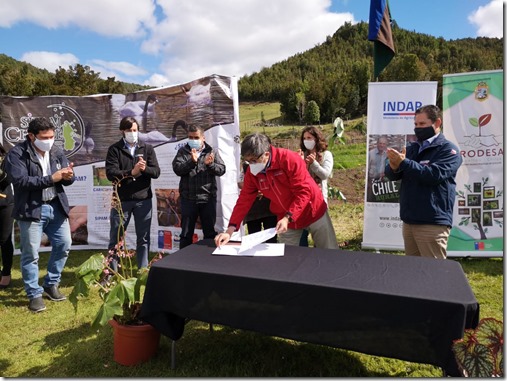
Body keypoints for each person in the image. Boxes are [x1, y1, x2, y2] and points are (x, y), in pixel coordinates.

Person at [215, 133, 338, 249]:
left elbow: (304, 192)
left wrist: (288, 217)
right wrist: (230, 231)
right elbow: (244, 200)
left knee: (328, 251)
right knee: (288, 258)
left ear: (266, 154)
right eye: (248, 161)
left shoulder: (289, 159)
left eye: (253, 160)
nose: (251, 164)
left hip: (312, 210)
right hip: (285, 218)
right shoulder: (253, 173)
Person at [4, 117, 75, 312]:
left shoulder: (57, 151)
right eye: (45, 137)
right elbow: (20, 182)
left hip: (56, 205)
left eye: (52, 136)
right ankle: (34, 294)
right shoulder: (16, 154)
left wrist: (69, 176)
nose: (49, 140)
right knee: (30, 254)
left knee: (64, 244)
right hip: (31, 208)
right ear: (31, 136)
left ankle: (51, 283)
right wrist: (52, 178)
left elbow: (67, 177)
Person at [385, 104, 463, 259]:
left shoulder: (448, 150)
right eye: (415, 124)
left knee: (434, 274)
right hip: (409, 221)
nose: (418, 128)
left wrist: (404, 163)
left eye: (422, 124)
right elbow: (394, 176)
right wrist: (393, 167)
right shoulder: (413, 148)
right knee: (414, 273)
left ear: (437, 123)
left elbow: (433, 175)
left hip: (432, 222)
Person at [105, 116, 160, 270]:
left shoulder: (147, 148)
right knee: (116, 237)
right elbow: (111, 173)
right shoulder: (114, 149)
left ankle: (142, 269)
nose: (132, 133)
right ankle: (112, 272)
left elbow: (156, 172)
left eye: (135, 130)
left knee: (143, 238)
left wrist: (144, 169)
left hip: (143, 200)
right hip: (121, 200)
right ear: (122, 131)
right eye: (129, 130)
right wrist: (132, 172)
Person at [172, 124, 226, 249]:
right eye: (190, 137)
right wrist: (192, 161)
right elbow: (177, 169)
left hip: (207, 198)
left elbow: (222, 170)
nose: (193, 140)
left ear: (203, 138)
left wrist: (210, 165)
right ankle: (183, 262)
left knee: (209, 233)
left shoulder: (211, 151)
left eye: (196, 137)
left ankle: (208, 261)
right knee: (186, 234)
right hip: (188, 199)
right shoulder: (183, 151)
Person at [297, 126, 334, 246]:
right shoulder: (301, 155)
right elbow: (296, 178)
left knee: (321, 239)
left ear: (317, 139)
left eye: (309, 137)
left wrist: (313, 164)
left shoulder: (326, 155)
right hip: (302, 202)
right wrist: (299, 163)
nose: (306, 140)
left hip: (319, 202)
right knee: (301, 237)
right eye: (304, 138)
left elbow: (325, 175)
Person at [238, 160, 277, 243]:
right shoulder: (246, 165)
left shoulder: (269, 162)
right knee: (254, 239)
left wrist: (264, 189)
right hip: (253, 209)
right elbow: (239, 182)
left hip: (269, 208)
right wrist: (253, 189)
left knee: (271, 239)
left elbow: (276, 181)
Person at [0, 143, 14, 288]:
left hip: (4, 202)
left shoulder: (7, 158)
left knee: (4, 239)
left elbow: (8, 180)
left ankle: (6, 273)